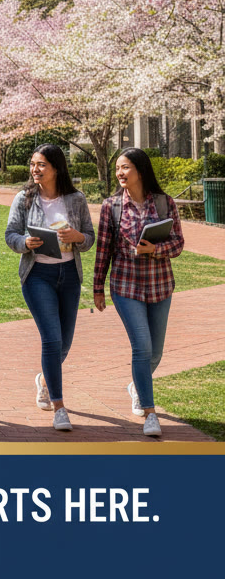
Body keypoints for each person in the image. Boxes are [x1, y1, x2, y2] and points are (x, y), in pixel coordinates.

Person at [93, 148, 185, 438]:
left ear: (140, 170)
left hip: (160, 286)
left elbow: (179, 243)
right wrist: (98, 288)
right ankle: (149, 412)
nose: (120, 173)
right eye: (117, 168)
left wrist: (156, 250)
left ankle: (136, 384)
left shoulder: (164, 202)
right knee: (142, 347)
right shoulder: (111, 206)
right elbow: (103, 249)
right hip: (125, 285)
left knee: (154, 353)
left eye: (126, 167)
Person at [5, 144, 95, 431]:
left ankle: (43, 380)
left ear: (56, 168)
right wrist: (24, 243)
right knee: (52, 340)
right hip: (37, 275)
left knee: (64, 343)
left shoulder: (76, 199)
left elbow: (90, 238)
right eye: (33, 164)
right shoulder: (23, 198)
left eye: (41, 164)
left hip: (69, 274)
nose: (35, 169)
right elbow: (11, 234)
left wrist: (77, 235)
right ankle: (59, 406)